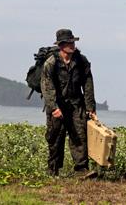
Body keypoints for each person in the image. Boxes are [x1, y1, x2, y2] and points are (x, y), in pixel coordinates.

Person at [40, 29, 97, 178]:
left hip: (76, 105)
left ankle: (81, 170)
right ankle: (53, 171)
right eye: (68, 43)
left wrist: (90, 108)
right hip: (57, 106)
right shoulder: (51, 63)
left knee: (80, 136)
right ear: (61, 45)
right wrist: (53, 108)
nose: (72, 45)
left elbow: (88, 85)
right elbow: (47, 86)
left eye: (73, 42)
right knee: (55, 139)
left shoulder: (81, 61)